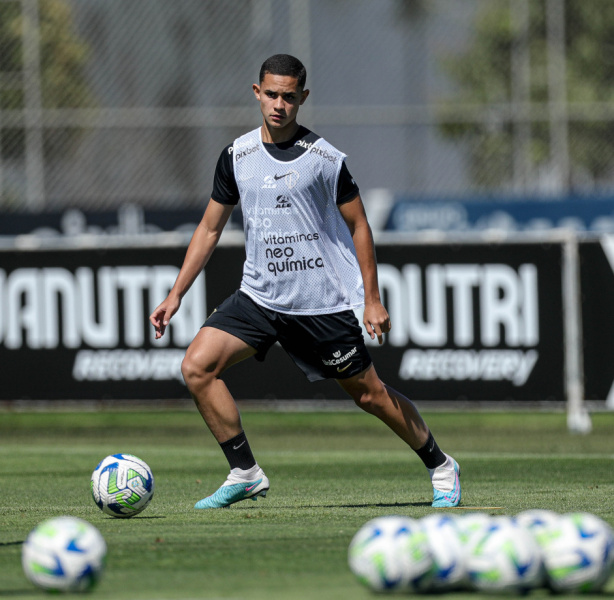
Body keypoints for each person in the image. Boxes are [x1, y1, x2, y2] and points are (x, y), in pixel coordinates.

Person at [149, 54, 461, 510]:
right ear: (257, 93)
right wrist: (176, 294)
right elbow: (210, 228)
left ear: (303, 98)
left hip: (319, 304)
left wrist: (372, 300)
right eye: (271, 94)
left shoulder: (325, 160)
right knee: (197, 367)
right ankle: (245, 471)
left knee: (371, 396)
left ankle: (441, 465)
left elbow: (359, 226)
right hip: (258, 298)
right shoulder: (236, 156)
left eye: (289, 97)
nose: (279, 105)